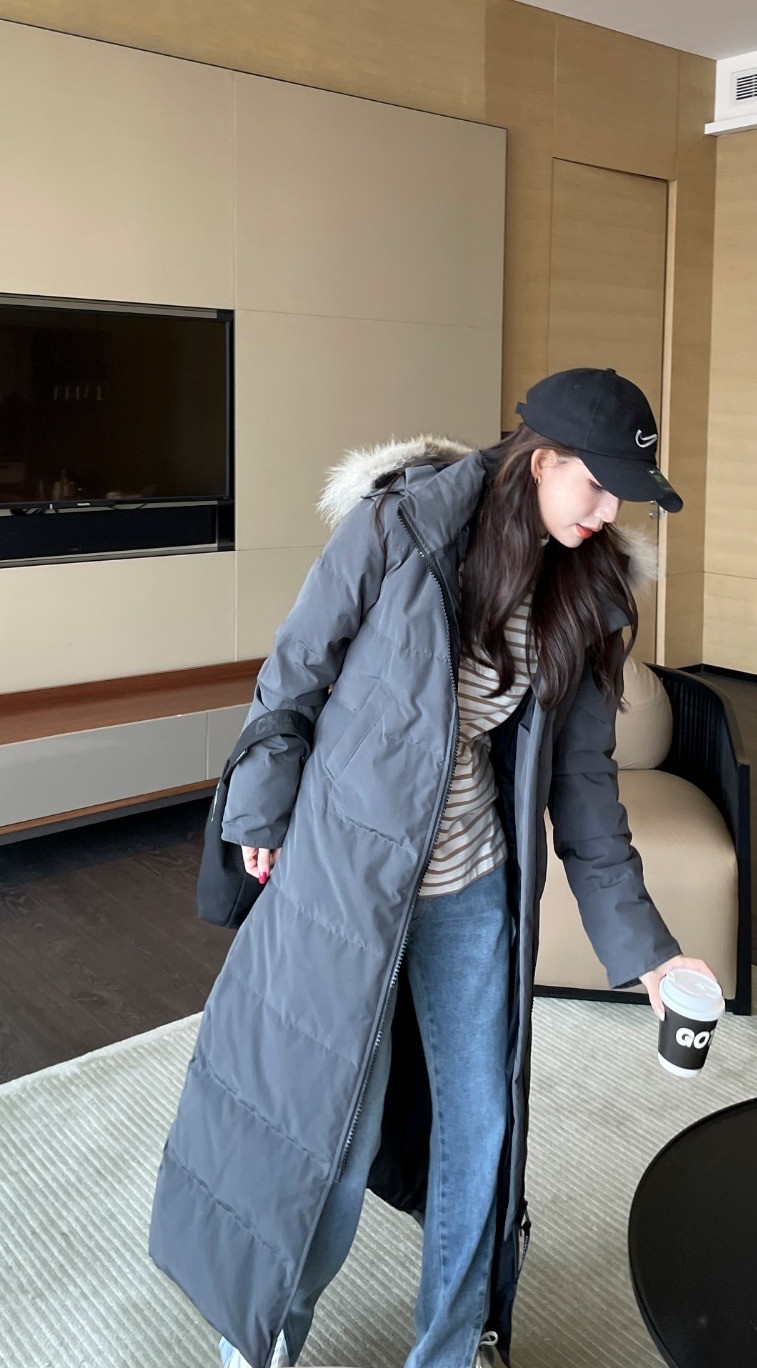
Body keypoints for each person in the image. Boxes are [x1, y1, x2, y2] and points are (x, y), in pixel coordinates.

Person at [149, 367, 714, 1368]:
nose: (608, 511)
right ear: (541, 461)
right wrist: (262, 805)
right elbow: (297, 669)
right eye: (596, 484)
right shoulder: (398, 528)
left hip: (470, 885)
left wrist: (652, 956)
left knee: (482, 1126)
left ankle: (455, 1346)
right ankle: (267, 1334)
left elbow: (585, 788)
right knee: (332, 1126)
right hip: (350, 875)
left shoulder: (590, 593)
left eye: (621, 492)